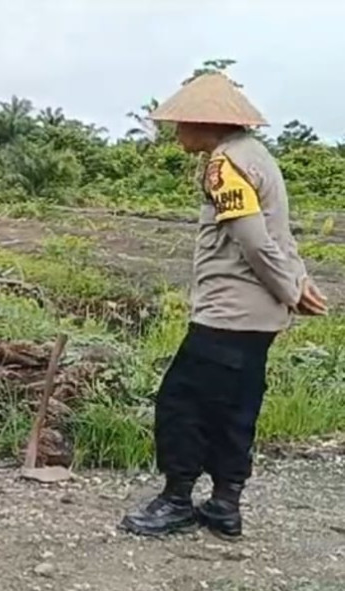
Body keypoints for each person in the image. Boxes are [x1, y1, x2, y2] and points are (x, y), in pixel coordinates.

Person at [119, 72, 328, 540]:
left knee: (182, 402)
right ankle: (225, 504)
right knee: (237, 405)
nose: (174, 132)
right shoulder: (258, 157)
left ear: (203, 122)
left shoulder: (224, 164)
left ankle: (176, 500)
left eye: (179, 123)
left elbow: (254, 242)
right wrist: (295, 281)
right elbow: (280, 234)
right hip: (257, 318)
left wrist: (292, 289)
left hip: (228, 312)